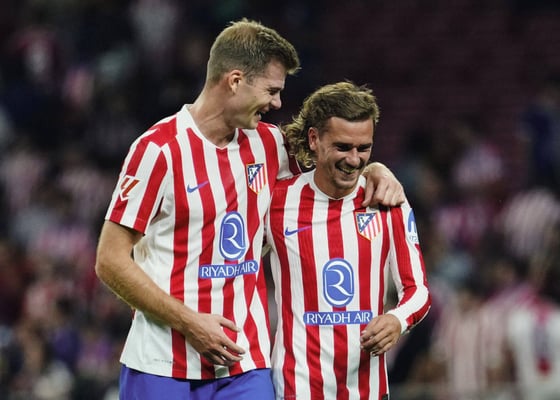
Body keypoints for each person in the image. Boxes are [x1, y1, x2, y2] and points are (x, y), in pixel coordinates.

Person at [94, 20, 405, 400]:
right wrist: (189, 322)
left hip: (245, 366)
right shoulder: (159, 150)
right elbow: (109, 260)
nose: (277, 103)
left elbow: (338, 165)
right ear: (235, 81)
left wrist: (376, 169)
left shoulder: (270, 143)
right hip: (161, 363)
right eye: (272, 90)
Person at [265, 81, 430, 399]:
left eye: (364, 148)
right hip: (297, 389)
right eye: (343, 147)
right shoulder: (276, 201)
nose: (354, 160)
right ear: (314, 139)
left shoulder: (387, 199)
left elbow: (418, 290)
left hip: (369, 391)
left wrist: (397, 319)